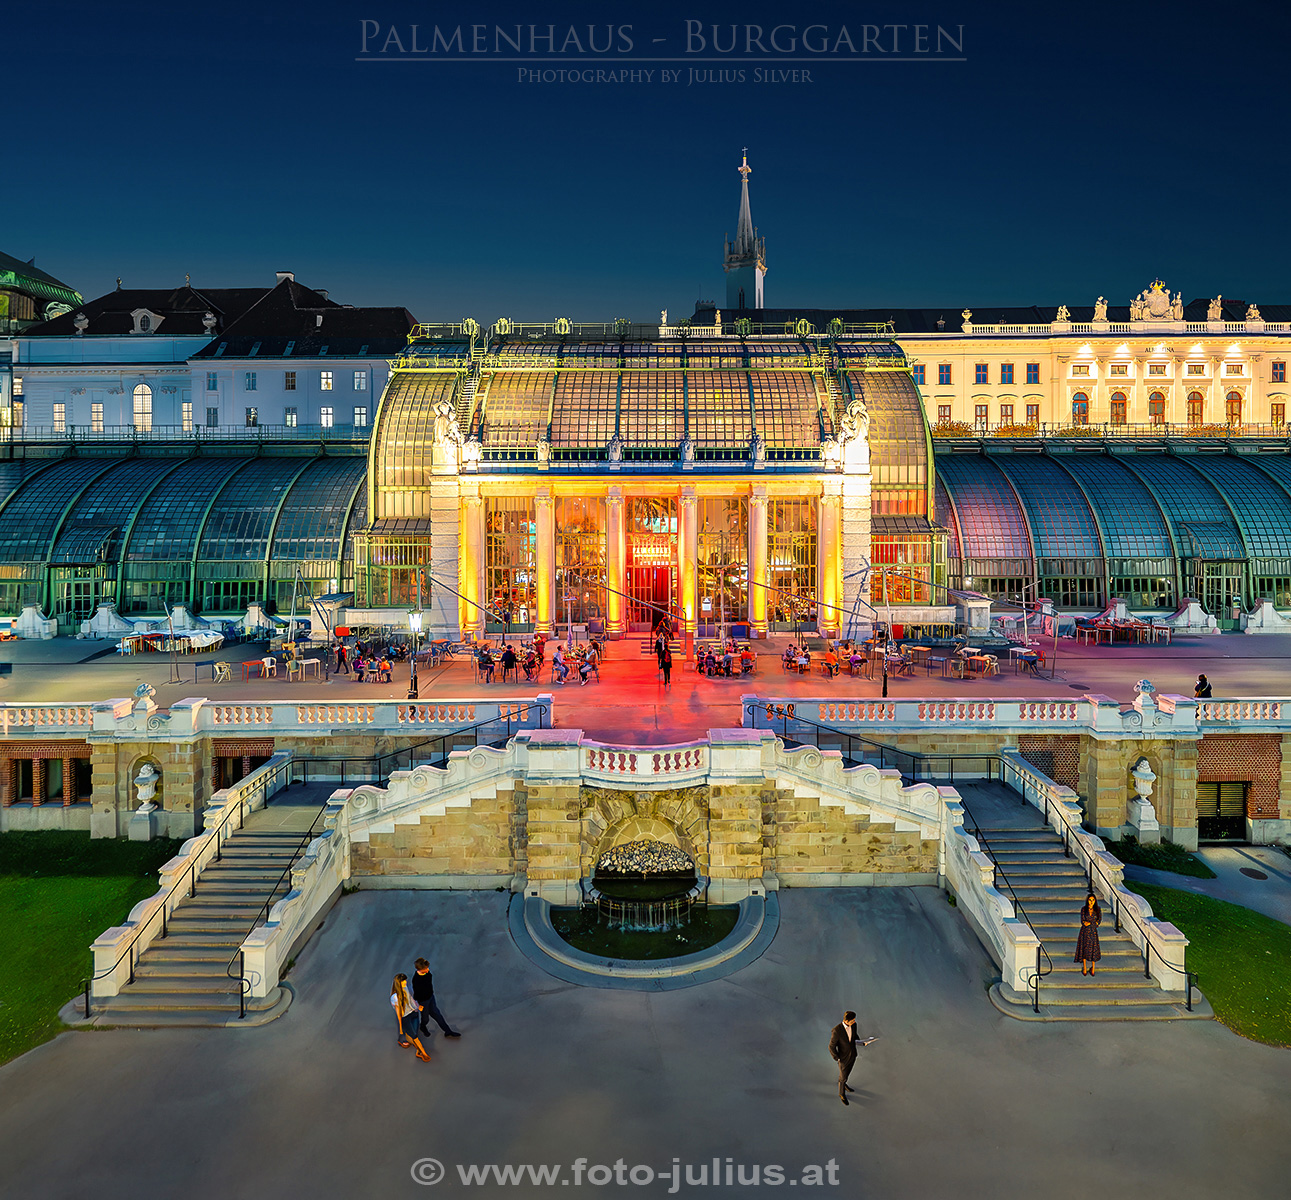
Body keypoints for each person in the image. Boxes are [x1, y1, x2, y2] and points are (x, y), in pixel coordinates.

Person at [828, 1011, 875, 1105]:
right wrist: (837, 1058)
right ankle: (841, 1094)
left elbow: (854, 1037)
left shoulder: (854, 1025)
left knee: (847, 1073)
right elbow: (831, 1046)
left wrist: (862, 1042)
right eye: (852, 1020)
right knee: (842, 1077)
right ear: (846, 1020)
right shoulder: (837, 1030)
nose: (854, 1022)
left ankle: (844, 1084)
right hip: (843, 1058)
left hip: (852, 1054)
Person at [411, 957, 461, 1039]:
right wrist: (418, 1004)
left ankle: (448, 1031)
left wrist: (431, 995)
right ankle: (422, 1026)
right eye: (425, 969)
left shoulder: (428, 973)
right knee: (426, 1018)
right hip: (423, 1001)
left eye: (427, 968)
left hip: (431, 997)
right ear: (419, 969)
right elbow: (417, 993)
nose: (428, 970)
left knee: (438, 1015)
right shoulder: (416, 980)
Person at [391, 973, 430, 1061]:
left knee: (413, 1033)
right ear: (398, 983)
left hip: (414, 1013)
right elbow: (398, 1013)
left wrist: (417, 1007)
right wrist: (401, 1028)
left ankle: (413, 1047)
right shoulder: (395, 997)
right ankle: (423, 1053)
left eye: (405, 980)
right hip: (405, 1018)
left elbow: (411, 1000)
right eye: (403, 981)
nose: (405, 982)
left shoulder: (405, 989)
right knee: (415, 1036)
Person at [1074, 892, 1102, 976]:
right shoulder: (1084, 909)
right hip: (1085, 932)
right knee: (1084, 948)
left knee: (1094, 949)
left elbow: (1098, 922)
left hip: (1093, 932)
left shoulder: (1097, 909)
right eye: (1090, 900)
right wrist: (1092, 922)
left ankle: (1093, 968)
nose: (1091, 902)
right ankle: (1085, 968)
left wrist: (1090, 923)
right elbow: (1083, 921)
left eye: (1093, 900)